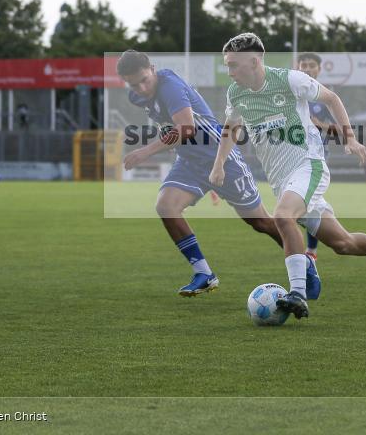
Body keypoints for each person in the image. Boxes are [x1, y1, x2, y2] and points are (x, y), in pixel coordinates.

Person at [210, 33, 366, 320]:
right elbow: (231, 128)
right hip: (282, 181)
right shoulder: (236, 93)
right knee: (343, 244)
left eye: (233, 65)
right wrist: (219, 163)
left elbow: (332, 98)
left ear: (254, 61)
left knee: (282, 217)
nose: (229, 72)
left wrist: (349, 138)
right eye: (227, 65)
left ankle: (297, 293)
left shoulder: (290, 80)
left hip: (308, 166)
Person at [116, 50, 320, 298]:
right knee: (166, 205)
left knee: (261, 222)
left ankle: (305, 265)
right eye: (133, 84)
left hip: (220, 160)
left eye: (144, 80)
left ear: (153, 69)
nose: (140, 87)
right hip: (190, 161)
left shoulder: (169, 86)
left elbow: (187, 128)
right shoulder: (137, 96)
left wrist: (145, 151)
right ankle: (204, 273)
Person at [296, 52, 338, 259]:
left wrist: (317, 123)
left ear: (319, 69)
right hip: (293, 155)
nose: (307, 68)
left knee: (307, 201)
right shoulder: (293, 93)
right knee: (307, 202)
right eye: (303, 64)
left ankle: (311, 251)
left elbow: (339, 130)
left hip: (317, 156)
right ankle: (326, 228)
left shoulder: (324, 97)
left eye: (311, 65)